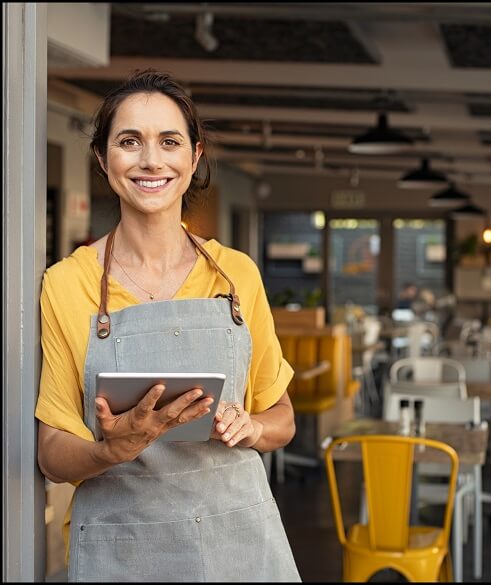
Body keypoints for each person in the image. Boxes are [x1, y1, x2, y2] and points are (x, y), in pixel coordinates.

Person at [34, 70, 300, 581]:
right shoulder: (68, 283)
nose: (151, 160)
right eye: (129, 141)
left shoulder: (236, 273)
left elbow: (281, 416)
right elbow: (51, 454)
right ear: (102, 158)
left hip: (238, 541)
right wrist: (111, 448)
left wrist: (253, 426)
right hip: (124, 548)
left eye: (169, 141)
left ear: (194, 157)